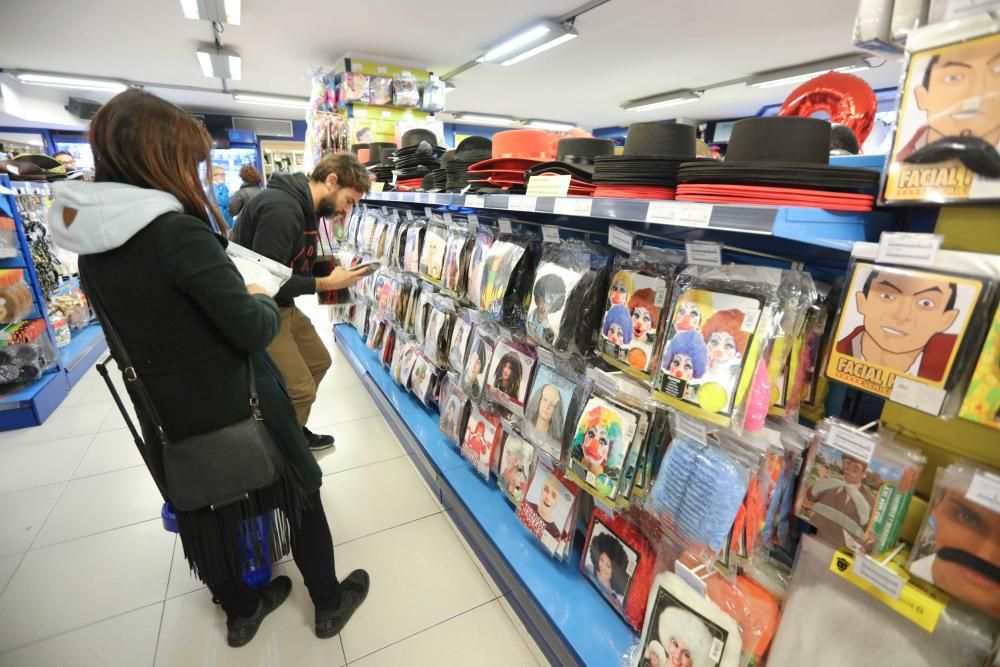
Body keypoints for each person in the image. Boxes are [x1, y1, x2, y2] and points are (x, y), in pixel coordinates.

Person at [47, 90, 369, 648]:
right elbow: (249, 326)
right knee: (301, 486)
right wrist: (259, 297)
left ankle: (242, 611)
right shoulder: (177, 232)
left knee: (204, 508)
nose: (196, 172)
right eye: (191, 159)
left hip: (166, 407)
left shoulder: (92, 245)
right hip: (233, 397)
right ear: (158, 157)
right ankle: (328, 601)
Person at [234, 152, 370, 450]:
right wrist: (326, 282)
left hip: (284, 306)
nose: (346, 211)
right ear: (332, 181)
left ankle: (293, 429)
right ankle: (282, 455)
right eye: (348, 201)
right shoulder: (281, 209)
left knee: (319, 361)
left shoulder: (306, 208)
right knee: (301, 389)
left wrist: (333, 272)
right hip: (263, 311)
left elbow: (296, 261)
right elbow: (266, 282)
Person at [835, 269, 960, 380]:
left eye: (926, 303)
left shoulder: (952, 372)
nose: (902, 316)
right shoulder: (833, 356)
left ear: (947, 320)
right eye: (887, 296)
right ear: (862, 302)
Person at [805, 454, 875, 549]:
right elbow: (810, 497)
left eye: (856, 467)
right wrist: (821, 480)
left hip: (840, 550)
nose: (850, 469)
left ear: (864, 473)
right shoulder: (830, 483)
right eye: (847, 464)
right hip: (813, 538)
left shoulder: (870, 501)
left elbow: (867, 531)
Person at [588, 532, 629, 605]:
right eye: (601, 560)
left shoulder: (616, 602)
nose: (603, 567)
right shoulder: (589, 569)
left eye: (608, 566)